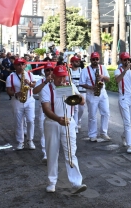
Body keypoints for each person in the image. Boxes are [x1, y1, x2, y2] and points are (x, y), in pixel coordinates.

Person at [39, 64, 87, 194]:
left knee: (71, 153)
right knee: (52, 154)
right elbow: (46, 109)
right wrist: (57, 119)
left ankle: (76, 183)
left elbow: (82, 102)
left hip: (68, 122)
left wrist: (75, 95)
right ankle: (51, 182)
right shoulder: (46, 89)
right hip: (52, 123)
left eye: (63, 77)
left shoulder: (69, 86)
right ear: (53, 76)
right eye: (59, 77)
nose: (61, 80)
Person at [6, 58, 37, 150]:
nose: (21, 66)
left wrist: (30, 83)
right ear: (15, 66)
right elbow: (8, 90)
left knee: (31, 120)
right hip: (17, 101)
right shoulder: (10, 77)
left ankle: (30, 140)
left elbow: (34, 85)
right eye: (18, 65)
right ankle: (20, 142)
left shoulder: (29, 74)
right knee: (18, 122)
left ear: (25, 65)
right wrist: (15, 93)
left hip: (29, 100)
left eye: (23, 64)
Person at [79, 52, 111, 142]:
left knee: (106, 112)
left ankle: (104, 132)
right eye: (93, 59)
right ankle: (92, 134)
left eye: (97, 59)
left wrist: (102, 76)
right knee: (92, 115)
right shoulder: (85, 70)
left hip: (102, 93)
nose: (95, 61)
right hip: (91, 93)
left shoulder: (103, 68)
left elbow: (108, 79)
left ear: (99, 59)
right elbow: (81, 83)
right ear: (91, 60)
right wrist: (90, 87)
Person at [113, 52, 131, 154]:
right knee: (127, 122)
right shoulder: (118, 70)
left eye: (128, 59)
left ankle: (124, 135)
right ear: (121, 60)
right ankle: (130, 145)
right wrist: (125, 70)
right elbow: (117, 80)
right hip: (123, 97)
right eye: (124, 60)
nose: (127, 61)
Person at [69, 56, 84, 134]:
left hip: (81, 92)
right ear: (72, 63)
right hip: (73, 92)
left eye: (78, 61)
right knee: (75, 109)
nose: (78, 62)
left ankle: (79, 120)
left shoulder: (82, 71)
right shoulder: (69, 71)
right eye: (76, 61)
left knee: (81, 109)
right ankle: (75, 126)